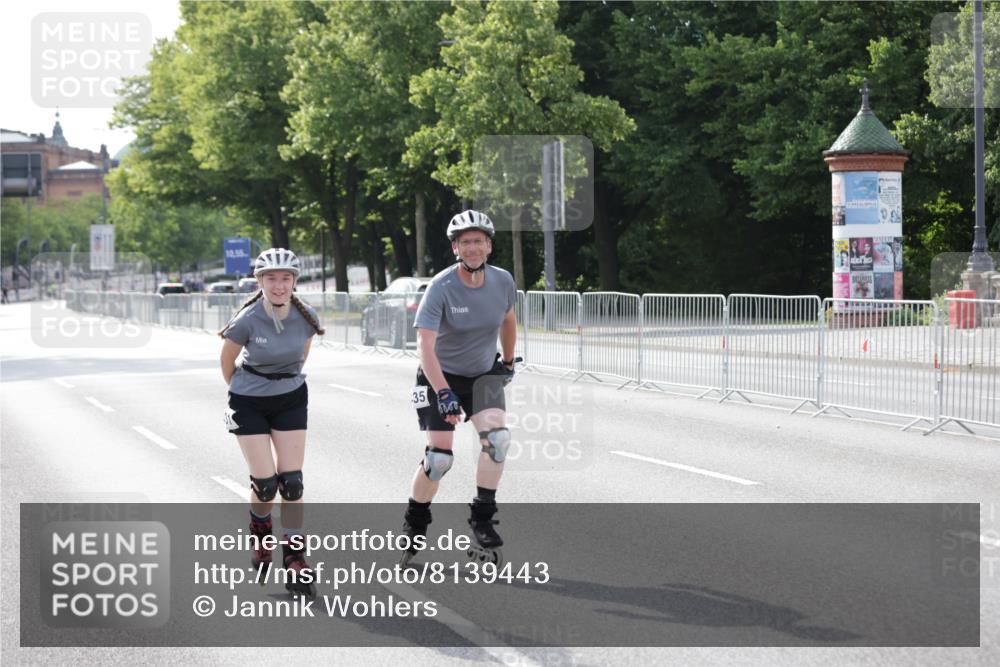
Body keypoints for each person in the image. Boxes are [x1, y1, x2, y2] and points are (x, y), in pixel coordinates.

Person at [401, 210, 518, 567]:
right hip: (440, 375)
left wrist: (507, 362)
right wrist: (443, 392)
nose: (472, 248)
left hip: (482, 375)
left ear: (489, 245)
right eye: (465, 242)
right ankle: (415, 520)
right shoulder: (441, 286)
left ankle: (482, 518)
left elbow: (508, 320)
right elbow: (424, 345)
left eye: (478, 241)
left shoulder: (502, 281)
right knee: (439, 459)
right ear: (455, 248)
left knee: (498, 440)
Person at [218, 248, 325, 598]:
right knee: (265, 485)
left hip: (290, 397)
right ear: (260, 282)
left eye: (286, 278)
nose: (279, 285)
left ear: (294, 281)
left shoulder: (306, 316)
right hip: (248, 401)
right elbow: (227, 363)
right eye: (271, 278)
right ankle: (260, 531)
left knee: (292, 483)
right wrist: (245, 390)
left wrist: (282, 381)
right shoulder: (246, 319)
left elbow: (301, 356)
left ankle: (295, 558)